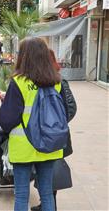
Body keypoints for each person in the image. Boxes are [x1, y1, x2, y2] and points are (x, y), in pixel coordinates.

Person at [0, 37, 68, 211]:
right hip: (50, 145)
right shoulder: (57, 82)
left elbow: (7, 120)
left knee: (22, 195)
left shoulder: (19, 82)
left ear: (24, 56)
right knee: (46, 193)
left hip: (24, 146)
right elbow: (65, 113)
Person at [31, 49, 77, 211]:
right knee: (44, 172)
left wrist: (55, 125)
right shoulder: (35, 81)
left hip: (56, 136)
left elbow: (71, 108)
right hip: (44, 136)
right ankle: (46, 204)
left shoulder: (60, 81)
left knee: (51, 173)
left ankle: (51, 206)